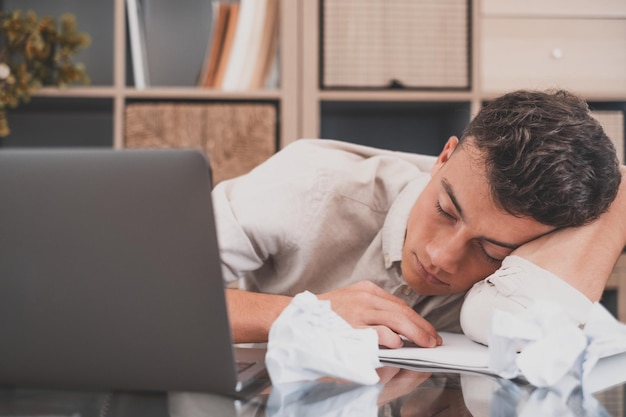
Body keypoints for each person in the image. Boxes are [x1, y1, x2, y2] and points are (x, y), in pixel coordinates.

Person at [212, 89, 626, 349]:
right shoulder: (311, 184)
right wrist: (303, 316)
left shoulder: (538, 253)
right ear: (443, 157)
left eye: (491, 250)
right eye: (446, 211)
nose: (441, 257)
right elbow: (153, 291)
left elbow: (531, 332)